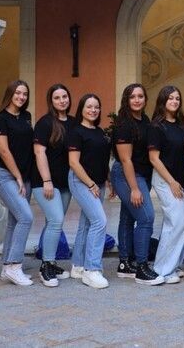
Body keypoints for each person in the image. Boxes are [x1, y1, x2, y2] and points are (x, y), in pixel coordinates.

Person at [110, 83, 163, 285]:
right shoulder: (124, 125)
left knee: (127, 217)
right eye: (132, 96)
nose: (137, 100)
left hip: (141, 174)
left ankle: (125, 263)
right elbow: (125, 160)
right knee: (146, 217)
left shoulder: (145, 120)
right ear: (126, 100)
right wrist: (134, 188)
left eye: (140, 96)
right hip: (127, 175)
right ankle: (141, 267)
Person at [0, 80, 36, 286]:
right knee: (26, 217)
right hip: (6, 176)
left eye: (24, 94)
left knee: (14, 221)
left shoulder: (26, 117)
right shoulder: (0, 119)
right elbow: (3, 151)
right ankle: (14, 266)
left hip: (25, 177)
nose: (21, 97)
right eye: (17, 93)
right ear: (10, 94)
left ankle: (5, 267)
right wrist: (17, 176)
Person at [32, 83, 75, 287]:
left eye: (64, 96)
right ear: (51, 101)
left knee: (54, 222)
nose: (62, 101)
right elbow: (39, 152)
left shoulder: (74, 122)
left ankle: (50, 261)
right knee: (56, 220)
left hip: (65, 183)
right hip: (45, 182)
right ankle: (46, 266)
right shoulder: (45, 123)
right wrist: (47, 180)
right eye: (57, 98)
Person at [68, 93, 112, 289]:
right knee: (99, 221)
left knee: (86, 224)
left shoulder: (100, 132)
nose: (93, 110)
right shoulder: (76, 132)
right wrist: (91, 184)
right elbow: (73, 163)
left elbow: (102, 159)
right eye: (89, 106)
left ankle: (78, 265)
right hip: (81, 181)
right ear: (82, 109)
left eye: (96, 107)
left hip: (99, 182)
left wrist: (108, 180)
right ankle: (91, 270)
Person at [149, 85, 184, 284]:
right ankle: (162, 269)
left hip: (180, 181)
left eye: (177, 98)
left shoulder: (181, 125)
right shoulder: (157, 126)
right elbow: (154, 159)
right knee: (177, 222)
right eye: (170, 98)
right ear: (163, 101)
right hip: (165, 179)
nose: (174, 101)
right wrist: (172, 181)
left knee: (178, 223)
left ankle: (172, 265)